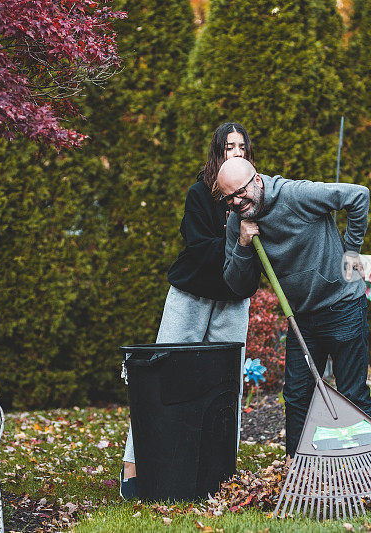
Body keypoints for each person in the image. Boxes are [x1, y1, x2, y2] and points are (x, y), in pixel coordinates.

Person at [120, 123, 259, 499]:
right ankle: (135, 466)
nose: (237, 153)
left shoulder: (254, 198)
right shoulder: (200, 195)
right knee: (162, 375)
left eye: (242, 147)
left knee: (228, 386)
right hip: (192, 296)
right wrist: (236, 237)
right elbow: (200, 247)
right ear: (218, 152)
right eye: (229, 146)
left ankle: (219, 471)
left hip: (233, 300)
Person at [215, 157, 371, 460]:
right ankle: (299, 472)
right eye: (229, 197)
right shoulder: (239, 223)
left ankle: (369, 469)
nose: (237, 201)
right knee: (297, 397)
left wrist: (350, 252)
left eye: (241, 191)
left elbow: (359, 195)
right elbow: (238, 285)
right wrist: (242, 245)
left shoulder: (296, 194)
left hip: (343, 307)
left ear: (257, 180)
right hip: (301, 319)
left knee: (352, 394)